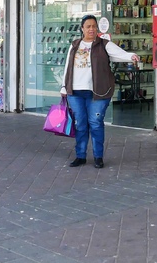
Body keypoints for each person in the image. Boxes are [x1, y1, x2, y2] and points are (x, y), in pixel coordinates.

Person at [60, 14, 141, 168]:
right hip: (75, 91)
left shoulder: (104, 44)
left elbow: (120, 54)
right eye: (88, 26)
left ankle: (98, 156)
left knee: (95, 123)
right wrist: (64, 86)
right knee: (80, 124)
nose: (91, 29)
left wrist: (131, 56)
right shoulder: (75, 45)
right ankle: (80, 155)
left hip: (98, 92)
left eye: (94, 26)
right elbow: (67, 66)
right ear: (82, 28)